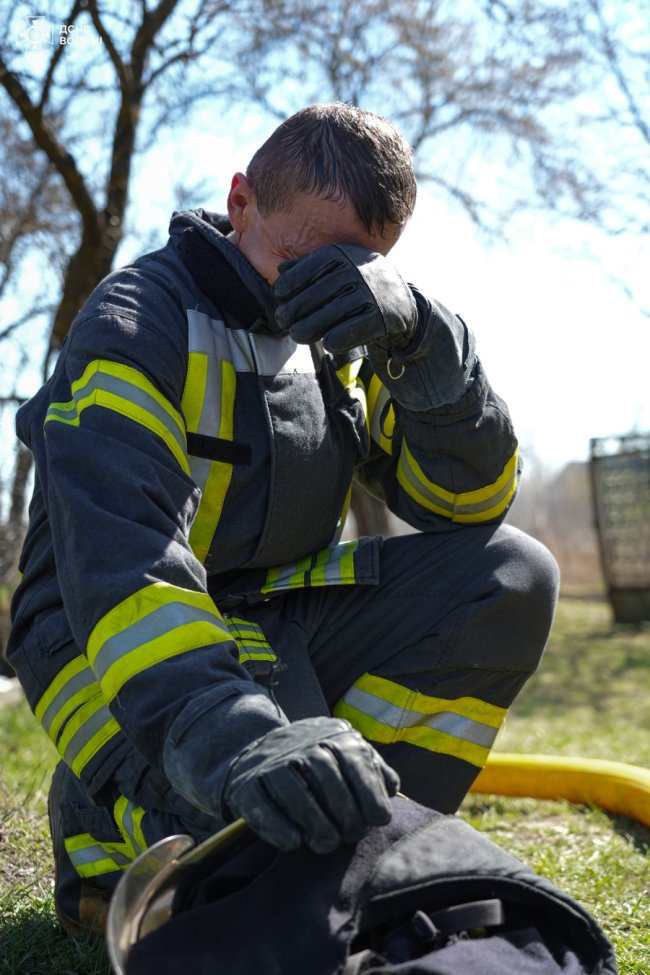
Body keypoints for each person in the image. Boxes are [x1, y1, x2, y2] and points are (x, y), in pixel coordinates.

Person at [7, 102, 559, 939]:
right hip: (108, 635)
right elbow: (124, 564)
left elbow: (466, 506)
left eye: (358, 271)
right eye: (301, 259)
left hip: (271, 624)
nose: (319, 296)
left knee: (512, 577)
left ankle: (373, 846)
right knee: (238, 843)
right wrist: (237, 744)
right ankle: (98, 823)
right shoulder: (136, 324)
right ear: (240, 203)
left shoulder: (348, 337)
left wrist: (423, 342)